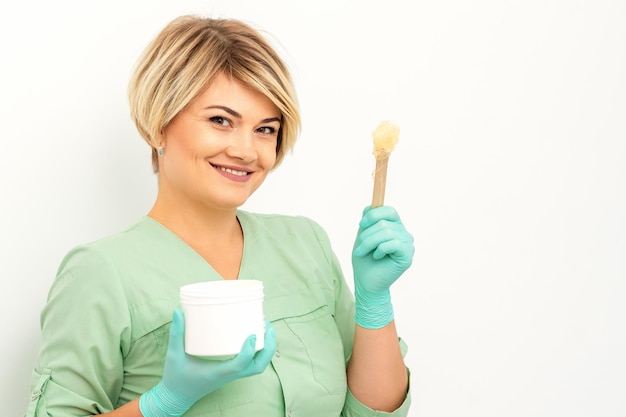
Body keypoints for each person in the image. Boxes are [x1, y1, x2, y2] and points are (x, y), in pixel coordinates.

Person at [24, 15, 415, 417]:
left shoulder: (305, 245)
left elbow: (371, 411)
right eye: (220, 121)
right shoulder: (100, 273)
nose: (247, 151)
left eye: (265, 129)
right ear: (158, 126)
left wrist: (374, 302)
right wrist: (163, 402)